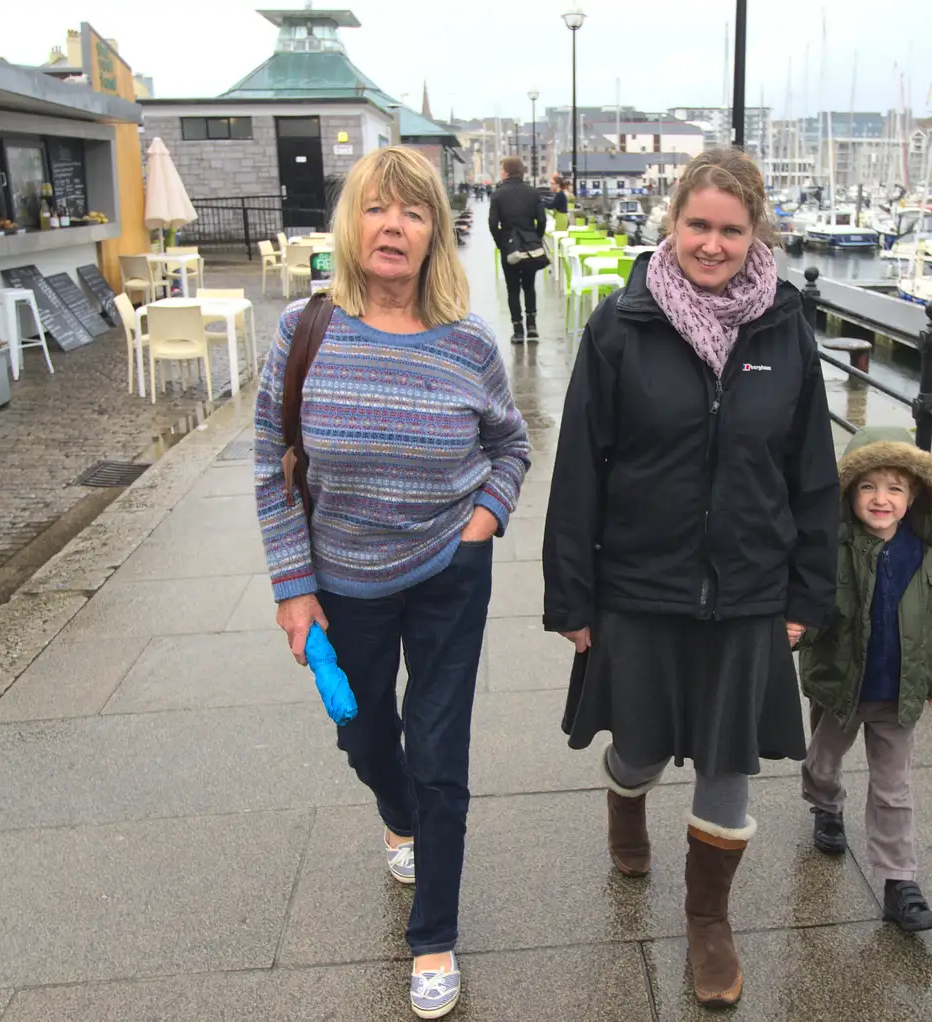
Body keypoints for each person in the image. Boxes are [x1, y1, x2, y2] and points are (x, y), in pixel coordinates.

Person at [542, 148, 837, 1008]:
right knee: (637, 746)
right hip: (639, 583)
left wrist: (806, 594)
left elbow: (811, 472)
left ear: (757, 235)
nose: (713, 244)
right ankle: (623, 799)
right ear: (672, 224)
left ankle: (708, 918)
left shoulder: (787, 331)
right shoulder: (621, 326)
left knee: (727, 761)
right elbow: (581, 469)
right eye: (698, 225)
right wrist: (573, 596)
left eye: (731, 230)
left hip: (749, 588)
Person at [253, 145, 530, 1020]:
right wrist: (293, 585)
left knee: (441, 751)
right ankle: (397, 811)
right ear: (352, 224)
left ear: (435, 235)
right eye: (378, 208)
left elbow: (511, 445)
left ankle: (433, 937)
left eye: (414, 213)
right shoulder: (306, 333)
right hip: (344, 582)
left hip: (451, 573)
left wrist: (483, 521)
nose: (394, 226)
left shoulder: (469, 343)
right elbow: (269, 461)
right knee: (366, 737)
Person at [797, 425, 932, 933]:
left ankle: (899, 883)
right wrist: (795, 628)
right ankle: (826, 805)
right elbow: (808, 605)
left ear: (914, 497)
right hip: (842, 686)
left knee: (893, 788)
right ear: (849, 493)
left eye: (895, 488)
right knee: (823, 761)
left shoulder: (930, 557)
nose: (881, 499)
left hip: (897, 693)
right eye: (868, 486)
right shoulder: (831, 549)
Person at [489, 155, 547, 343]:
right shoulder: (532, 192)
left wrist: (501, 243)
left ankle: (518, 330)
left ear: (506, 172)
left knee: (513, 289)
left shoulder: (498, 195)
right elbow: (542, 220)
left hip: (509, 246)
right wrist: (535, 238)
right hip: (530, 246)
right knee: (529, 286)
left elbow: (492, 223)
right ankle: (532, 326)